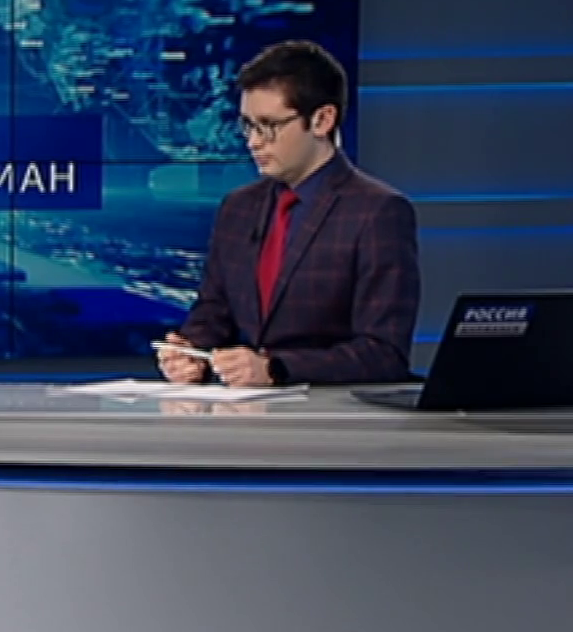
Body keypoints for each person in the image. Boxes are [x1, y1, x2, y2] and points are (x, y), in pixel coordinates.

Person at [159, 41, 420, 388]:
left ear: (322, 120)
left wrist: (276, 369)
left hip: (332, 414)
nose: (253, 142)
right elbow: (213, 314)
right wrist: (191, 354)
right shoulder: (238, 209)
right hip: (245, 413)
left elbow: (384, 354)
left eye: (268, 126)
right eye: (248, 126)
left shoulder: (377, 212)